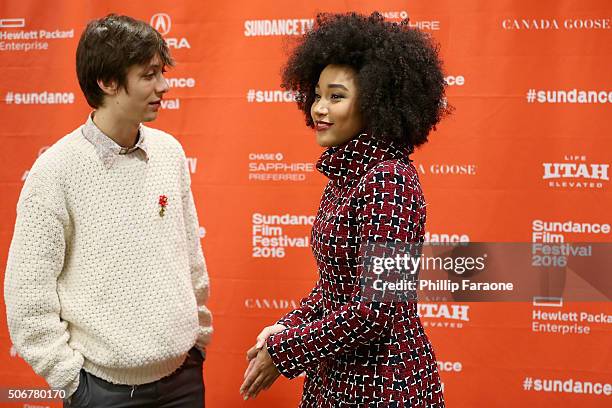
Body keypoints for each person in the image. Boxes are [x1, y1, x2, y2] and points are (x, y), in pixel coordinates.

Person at [240, 12, 449, 406]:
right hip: (336, 375)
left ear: (375, 102)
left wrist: (285, 352)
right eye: (317, 94)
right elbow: (336, 288)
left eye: (336, 96)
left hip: (384, 385)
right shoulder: (347, 174)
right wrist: (285, 327)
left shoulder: (390, 180)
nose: (319, 108)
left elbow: (376, 309)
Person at [4, 14, 212, 407]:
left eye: (162, 72)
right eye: (149, 75)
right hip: (102, 392)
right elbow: (27, 294)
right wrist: (73, 385)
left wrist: (197, 342)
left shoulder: (169, 153)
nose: (163, 86)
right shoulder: (56, 170)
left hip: (183, 380)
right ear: (108, 82)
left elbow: (190, 257)